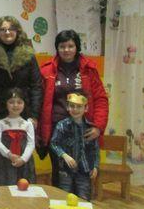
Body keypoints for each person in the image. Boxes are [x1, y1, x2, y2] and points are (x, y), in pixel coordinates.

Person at [38, 29, 108, 186]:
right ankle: (59, 201)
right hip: (57, 131)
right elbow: (39, 101)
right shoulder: (46, 70)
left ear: (77, 47)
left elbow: (101, 99)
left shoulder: (89, 69)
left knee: (83, 173)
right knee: (60, 174)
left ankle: (82, 201)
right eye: (62, 46)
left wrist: (98, 127)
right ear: (57, 48)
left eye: (70, 46)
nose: (66, 50)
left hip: (83, 129)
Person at [0, 16, 43, 126]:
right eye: (3, 29)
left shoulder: (29, 54)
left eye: (11, 29)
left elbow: (36, 86)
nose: (7, 32)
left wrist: (34, 115)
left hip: (23, 112)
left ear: (17, 31)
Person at [50, 92, 100, 201]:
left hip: (84, 170)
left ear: (86, 108)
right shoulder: (62, 125)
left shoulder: (90, 128)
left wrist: (95, 166)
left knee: (84, 198)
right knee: (64, 197)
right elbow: (54, 143)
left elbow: (95, 149)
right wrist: (64, 155)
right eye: (72, 106)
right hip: (65, 170)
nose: (75, 109)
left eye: (79, 107)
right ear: (68, 107)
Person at [0, 88, 36, 186]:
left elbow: (31, 143)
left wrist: (23, 159)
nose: (15, 105)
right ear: (6, 103)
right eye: (11, 102)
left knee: (24, 185)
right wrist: (9, 154)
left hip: (24, 160)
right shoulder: (0, 122)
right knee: (5, 185)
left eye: (19, 102)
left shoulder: (27, 123)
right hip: (4, 160)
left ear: (24, 104)